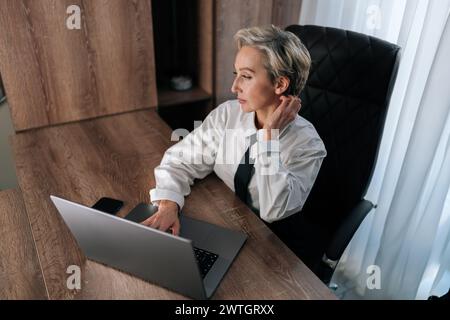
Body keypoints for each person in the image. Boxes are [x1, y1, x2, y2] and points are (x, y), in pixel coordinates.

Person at [143, 25, 326, 235]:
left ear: (279, 84)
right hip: (228, 217)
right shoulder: (229, 114)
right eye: (235, 74)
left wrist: (269, 138)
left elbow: (274, 210)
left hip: (276, 244)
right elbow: (179, 160)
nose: (234, 86)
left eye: (246, 76)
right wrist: (168, 204)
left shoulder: (308, 145)